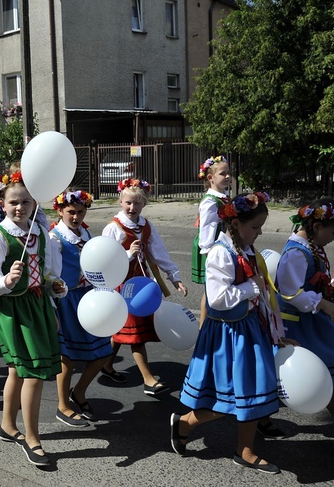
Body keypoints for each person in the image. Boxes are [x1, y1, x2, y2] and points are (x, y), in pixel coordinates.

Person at [172, 192, 287, 475]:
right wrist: (252, 287)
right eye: (255, 227)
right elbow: (218, 298)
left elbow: (265, 298)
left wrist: (275, 330)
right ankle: (185, 423)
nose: (259, 233)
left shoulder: (247, 250)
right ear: (235, 223)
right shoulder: (220, 252)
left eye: (261, 227)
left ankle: (245, 450)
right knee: (229, 397)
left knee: (253, 391)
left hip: (250, 329)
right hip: (227, 335)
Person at [0, 171, 67, 466]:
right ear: (2, 204)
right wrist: (6, 279)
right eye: (13, 202)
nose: (20, 207)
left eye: (26, 202)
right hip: (11, 307)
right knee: (33, 371)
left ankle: (7, 425)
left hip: (38, 304)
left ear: (34, 204)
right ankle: (32, 439)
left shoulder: (42, 234)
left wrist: (56, 286)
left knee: (18, 370)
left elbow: (50, 273)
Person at [278, 199, 334, 439]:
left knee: (326, 373)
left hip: (312, 319)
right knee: (321, 373)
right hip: (298, 323)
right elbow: (289, 291)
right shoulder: (297, 252)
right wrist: (321, 302)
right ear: (317, 227)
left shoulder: (311, 246)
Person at [100, 178, 187, 393]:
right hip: (123, 285)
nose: (132, 207)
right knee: (135, 334)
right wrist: (128, 254)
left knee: (123, 330)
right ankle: (148, 379)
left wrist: (173, 276)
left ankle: (106, 363)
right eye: (128, 202)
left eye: (137, 203)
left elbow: (159, 253)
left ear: (144, 204)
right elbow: (104, 259)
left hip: (142, 283)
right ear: (120, 201)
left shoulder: (146, 225)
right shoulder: (114, 228)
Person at [50, 189, 110, 427]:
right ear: (60, 211)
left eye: (80, 212)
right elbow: (51, 272)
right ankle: (62, 405)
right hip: (68, 299)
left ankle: (79, 392)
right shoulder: (56, 238)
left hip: (90, 297)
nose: (75, 217)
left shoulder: (85, 233)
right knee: (69, 356)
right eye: (71, 212)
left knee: (103, 351)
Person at [191, 155, 231, 326]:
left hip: (223, 245)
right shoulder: (210, 201)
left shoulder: (223, 196)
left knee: (218, 287)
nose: (228, 176)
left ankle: (213, 322)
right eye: (223, 174)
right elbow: (206, 230)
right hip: (212, 247)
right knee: (211, 289)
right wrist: (209, 253)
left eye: (229, 173)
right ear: (210, 178)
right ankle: (203, 326)